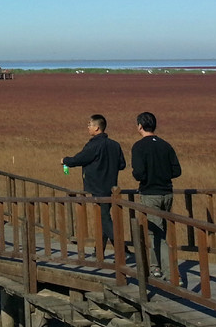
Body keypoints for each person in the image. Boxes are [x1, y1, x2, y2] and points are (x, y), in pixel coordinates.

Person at [62, 114, 126, 257]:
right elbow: (122, 165)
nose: (88, 127)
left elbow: (79, 159)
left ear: (97, 128)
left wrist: (65, 160)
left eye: (89, 124)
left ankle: (121, 250)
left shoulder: (94, 144)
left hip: (97, 188)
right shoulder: (115, 145)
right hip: (111, 188)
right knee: (103, 218)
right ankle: (99, 251)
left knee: (104, 219)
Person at [131, 111, 181, 279]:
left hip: (150, 193)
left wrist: (144, 176)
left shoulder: (139, 147)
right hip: (167, 193)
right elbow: (177, 170)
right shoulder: (165, 145)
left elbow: (139, 173)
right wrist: (162, 174)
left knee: (154, 233)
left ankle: (171, 274)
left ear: (140, 126)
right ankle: (156, 266)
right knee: (161, 231)